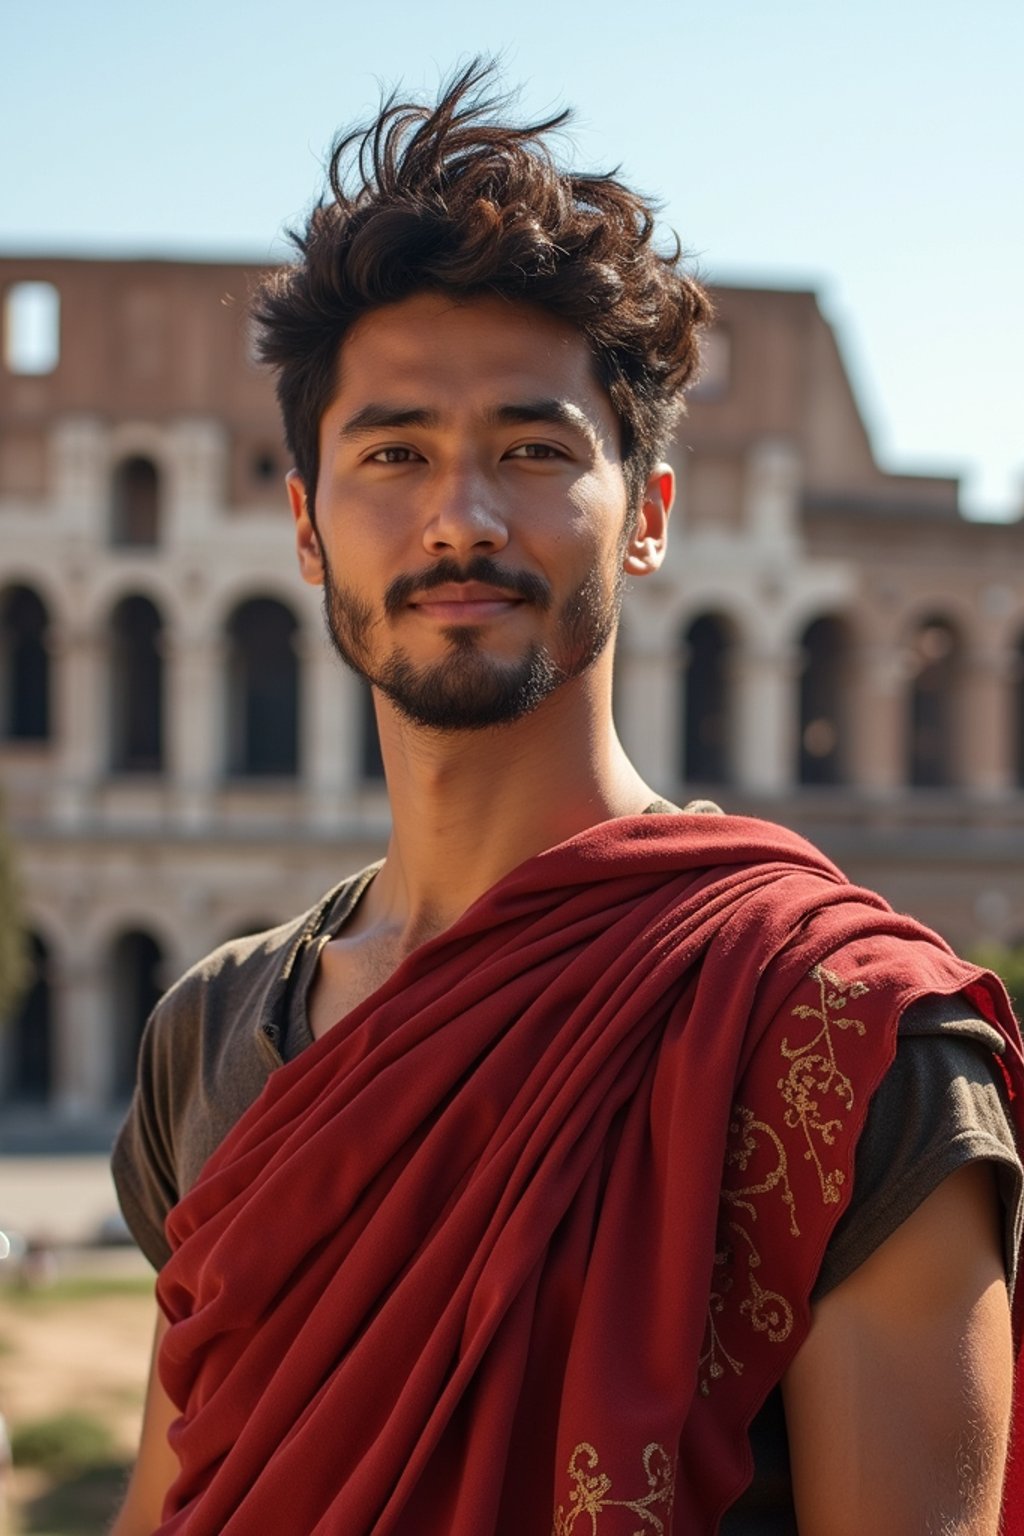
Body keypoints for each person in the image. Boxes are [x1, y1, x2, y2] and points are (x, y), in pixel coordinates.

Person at [110, 63, 1024, 1535]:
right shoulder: (208, 1036)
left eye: (536, 452)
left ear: (649, 515)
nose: (461, 515)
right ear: (302, 524)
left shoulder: (850, 1035)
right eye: (392, 452)